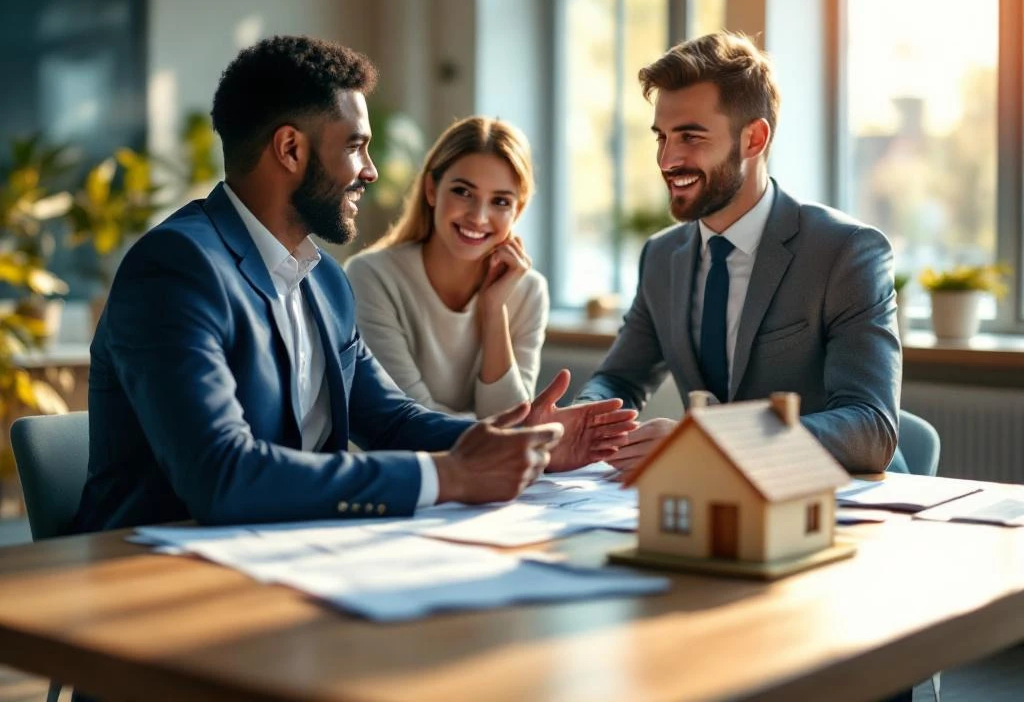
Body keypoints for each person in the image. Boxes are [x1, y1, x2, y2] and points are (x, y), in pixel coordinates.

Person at [74, 36, 635, 534]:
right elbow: (221, 475)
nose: (370, 170)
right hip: (154, 569)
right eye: (354, 146)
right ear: (291, 149)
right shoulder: (177, 267)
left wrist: (518, 440)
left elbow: (391, 420)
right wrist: (449, 474)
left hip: (287, 552)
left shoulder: (323, 280)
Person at [576, 31, 901, 475]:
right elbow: (619, 379)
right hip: (715, 504)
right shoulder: (661, 257)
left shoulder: (845, 252)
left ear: (753, 139)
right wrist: (586, 421)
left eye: (690, 137)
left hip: (840, 503)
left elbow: (870, 429)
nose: (667, 159)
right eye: (661, 137)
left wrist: (706, 442)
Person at [345, 116, 546, 420]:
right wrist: (500, 432)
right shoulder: (371, 276)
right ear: (430, 190)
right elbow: (410, 422)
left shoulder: (529, 290)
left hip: (491, 468)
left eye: (501, 202)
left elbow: (511, 419)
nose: (478, 217)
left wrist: (494, 310)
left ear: (517, 211)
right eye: (463, 192)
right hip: (398, 466)